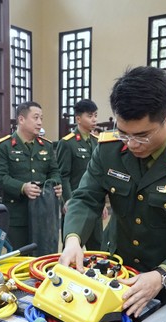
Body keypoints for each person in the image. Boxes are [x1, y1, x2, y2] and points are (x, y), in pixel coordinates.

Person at [59, 66, 166, 318]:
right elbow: (86, 198)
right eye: (124, 134)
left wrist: (162, 276)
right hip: (112, 272)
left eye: (142, 136)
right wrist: (72, 239)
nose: (132, 144)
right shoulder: (108, 149)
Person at [0, 101, 62, 249]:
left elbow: (54, 171)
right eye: (35, 118)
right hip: (18, 214)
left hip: (43, 212)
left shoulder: (46, 146)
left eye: (41, 118)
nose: (39, 122)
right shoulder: (4, 146)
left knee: (44, 257)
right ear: (21, 119)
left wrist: (55, 183)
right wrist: (22, 187)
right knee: (21, 258)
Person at [56, 99, 106, 251]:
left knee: (97, 248)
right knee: (71, 246)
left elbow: (100, 177)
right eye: (90, 116)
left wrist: (102, 202)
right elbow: (63, 175)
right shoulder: (67, 143)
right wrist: (68, 200)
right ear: (78, 119)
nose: (94, 119)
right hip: (75, 202)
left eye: (95, 115)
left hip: (94, 202)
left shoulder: (97, 142)